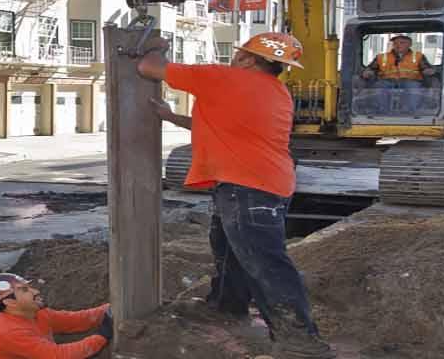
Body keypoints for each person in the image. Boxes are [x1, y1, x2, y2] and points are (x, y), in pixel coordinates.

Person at [137, 32, 334, 358]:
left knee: (266, 263)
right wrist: (171, 117)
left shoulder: (223, 78)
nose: (235, 57)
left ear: (246, 59)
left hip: (249, 187)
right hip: (261, 184)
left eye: (239, 52)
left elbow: (148, 67)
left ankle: (302, 341)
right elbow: (225, 126)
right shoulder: (276, 91)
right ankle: (228, 307)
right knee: (229, 249)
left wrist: (156, 46)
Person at [0, 273, 114, 359]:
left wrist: (111, 308)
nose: (36, 291)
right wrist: (102, 336)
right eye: (25, 290)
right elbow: (58, 356)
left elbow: (77, 320)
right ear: (10, 302)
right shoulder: (8, 332)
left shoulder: (37, 313)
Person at [360, 35, 436, 113]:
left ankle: (409, 113)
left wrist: (428, 71)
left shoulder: (418, 56)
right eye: (395, 43)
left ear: (410, 44)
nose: (398, 45)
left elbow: (425, 67)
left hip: (410, 81)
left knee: (413, 87)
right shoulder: (381, 57)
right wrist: (367, 72)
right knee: (379, 86)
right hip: (387, 81)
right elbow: (371, 68)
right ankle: (382, 113)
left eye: (402, 43)